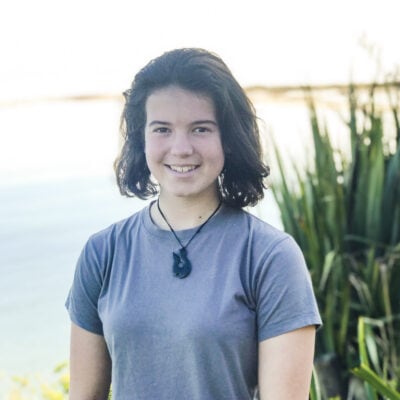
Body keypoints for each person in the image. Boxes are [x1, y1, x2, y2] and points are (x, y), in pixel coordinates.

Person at [66, 48, 322, 400]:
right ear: (142, 139)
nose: (181, 148)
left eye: (200, 128)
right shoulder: (102, 252)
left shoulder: (270, 256)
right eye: (162, 129)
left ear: (228, 140)